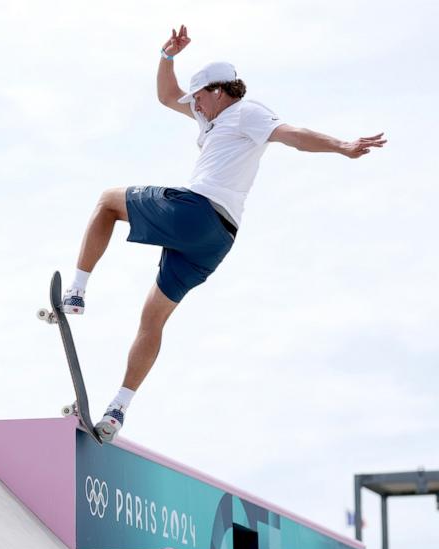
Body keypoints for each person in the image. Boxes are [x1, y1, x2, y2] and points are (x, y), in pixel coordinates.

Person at [63, 25, 386, 443]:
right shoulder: (210, 115)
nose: (194, 104)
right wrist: (167, 56)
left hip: (197, 211)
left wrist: (342, 145)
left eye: (199, 96)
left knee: (108, 200)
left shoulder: (246, 112)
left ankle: (76, 291)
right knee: (152, 318)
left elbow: (294, 136)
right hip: (216, 243)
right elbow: (165, 96)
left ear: (220, 91)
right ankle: (117, 410)